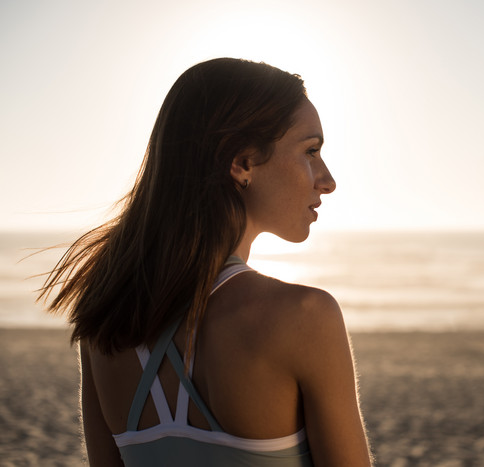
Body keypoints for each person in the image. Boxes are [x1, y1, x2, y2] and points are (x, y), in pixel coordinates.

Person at [40, 58, 373, 466]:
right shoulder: (304, 317)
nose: (328, 179)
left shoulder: (104, 318)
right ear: (242, 163)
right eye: (311, 150)